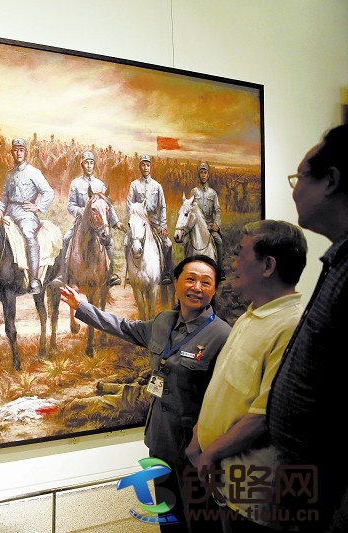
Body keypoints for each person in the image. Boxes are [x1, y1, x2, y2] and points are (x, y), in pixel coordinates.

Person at [60, 255, 232, 532]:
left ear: (214, 290)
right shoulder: (163, 321)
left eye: (206, 282)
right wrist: (82, 307)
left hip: (196, 449)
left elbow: (226, 401)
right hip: (160, 440)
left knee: (202, 521)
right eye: (190, 279)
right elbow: (124, 327)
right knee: (169, 517)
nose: (197, 287)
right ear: (175, 282)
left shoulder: (223, 335)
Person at [185, 220, 307, 532]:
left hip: (253, 488)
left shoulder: (291, 327)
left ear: (268, 266)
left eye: (241, 254)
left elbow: (264, 416)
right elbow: (226, 390)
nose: (233, 263)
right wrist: (199, 436)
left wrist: (209, 453)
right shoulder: (250, 315)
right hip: (223, 477)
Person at [267, 124, 348, 530]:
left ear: (330, 180)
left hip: (328, 495)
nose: (294, 190)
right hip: (306, 482)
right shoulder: (340, 259)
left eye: (299, 177)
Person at [52, 150, 125, 287]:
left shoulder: (100, 184)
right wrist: (78, 210)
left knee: (110, 242)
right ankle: (63, 273)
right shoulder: (76, 183)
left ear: (94, 165)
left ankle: (111, 274)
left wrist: (116, 222)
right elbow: (70, 205)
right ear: (82, 165)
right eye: (86, 163)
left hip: (97, 225)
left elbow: (107, 206)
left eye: (91, 163)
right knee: (67, 238)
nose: (89, 165)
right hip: (81, 224)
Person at [0, 138, 55, 294]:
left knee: (29, 235)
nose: (18, 153)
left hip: (27, 214)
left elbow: (49, 192)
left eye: (21, 150)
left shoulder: (34, 172)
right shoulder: (9, 175)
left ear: (26, 152)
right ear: (11, 152)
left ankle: (34, 279)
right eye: (15, 150)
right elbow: (4, 197)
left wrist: (38, 207)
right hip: (10, 213)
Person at [127, 154, 173, 284]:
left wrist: (163, 226)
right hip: (139, 222)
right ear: (140, 167)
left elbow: (162, 206)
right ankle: (130, 272)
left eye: (148, 165)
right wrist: (135, 219)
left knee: (168, 244)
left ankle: (166, 273)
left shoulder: (157, 186)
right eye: (143, 165)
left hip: (154, 223)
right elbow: (129, 205)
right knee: (126, 243)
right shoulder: (134, 185)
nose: (145, 167)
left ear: (150, 167)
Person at [191, 162, 224, 277]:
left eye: (205, 173)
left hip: (209, 226)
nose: (203, 175)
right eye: (201, 172)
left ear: (208, 175)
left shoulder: (212, 193)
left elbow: (218, 211)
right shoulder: (194, 192)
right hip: (197, 227)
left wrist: (216, 224)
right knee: (186, 242)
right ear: (199, 175)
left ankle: (220, 270)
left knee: (219, 241)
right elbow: (190, 210)